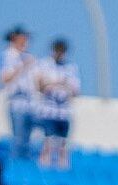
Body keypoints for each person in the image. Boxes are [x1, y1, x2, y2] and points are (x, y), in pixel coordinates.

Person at [33, 38, 79, 169]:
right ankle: (44, 164)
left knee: (63, 142)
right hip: (49, 111)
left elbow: (75, 90)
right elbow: (40, 85)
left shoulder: (71, 67)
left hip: (64, 112)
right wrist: (57, 83)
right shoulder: (44, 64)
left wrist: (62, 85)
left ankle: (62, 166)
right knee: (48, 140)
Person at [0, 26, 36, 157]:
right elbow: (4, 78)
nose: (26, 41)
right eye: (23, 38)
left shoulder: (27, 57)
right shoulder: (7, 55)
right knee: (19, 139)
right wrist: (22, 66)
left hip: (29, 103)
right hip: (16, 102)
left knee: (28, 140)